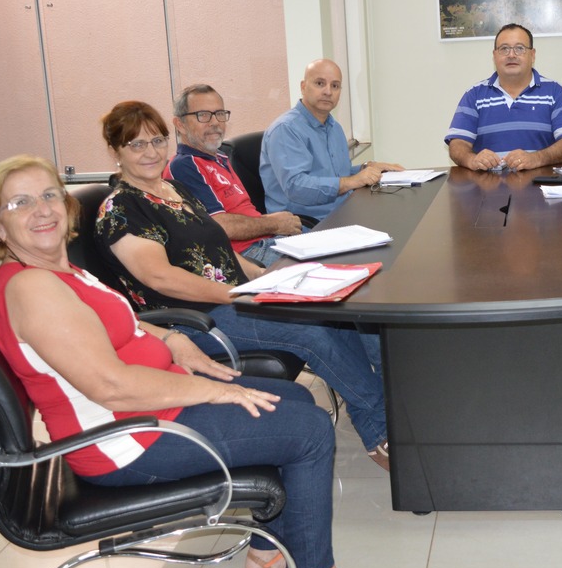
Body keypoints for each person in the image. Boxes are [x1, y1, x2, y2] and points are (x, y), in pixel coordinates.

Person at [0, 155, 373, 568]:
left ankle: (267, 554)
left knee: (293, 397)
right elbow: (112, 387)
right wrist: (217, 392)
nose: (42, 209)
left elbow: (116, 324)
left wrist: (171, 339)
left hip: (147, 414)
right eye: (20, 203)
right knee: (309, 430)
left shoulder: (56, 271)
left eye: (50, 194)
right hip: (124, 441)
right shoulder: (34, 288)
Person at [92, 101, 391, 473]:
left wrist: (265, 279)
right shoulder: (121, 209)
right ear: (115, 151)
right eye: (136, 145)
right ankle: (380, 429)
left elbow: (220, 252)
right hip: (192, 321)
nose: (150, 152)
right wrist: (238, 294)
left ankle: (387, 408)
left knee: (334, 312)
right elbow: (161, 278)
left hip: (232, 301)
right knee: (313, 331)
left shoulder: (173, 190)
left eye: (156, 141)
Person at [164, 83, 302, 266]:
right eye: (203, 115)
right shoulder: (185, 165)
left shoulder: (219, 157)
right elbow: (220, 226)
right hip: (246, 256)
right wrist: (274, 224)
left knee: (342, 251)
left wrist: (275, 223)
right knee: (328, 267)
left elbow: (240, 212)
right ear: (179, 124)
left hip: (267, 240)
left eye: (219, 114)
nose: (215, 122)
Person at [260, 59, 402, 223]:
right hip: (307, 225)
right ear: (303, 86)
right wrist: (354, 181)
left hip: (342, 213)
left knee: (399, 216)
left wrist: (367, 168)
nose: (328, 91)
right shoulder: (286, 129)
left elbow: (338, 175)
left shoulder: (334, 127)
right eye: (320, 83)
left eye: (335, 86)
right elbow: (296, 187)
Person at [445, 23, 562, 171]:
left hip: (542, 186)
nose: (511, 55)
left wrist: (536, 158)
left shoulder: (555, 91)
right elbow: (457, 144)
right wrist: (472, 160)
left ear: (532, 54)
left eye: (519, 48)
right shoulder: (474, 95)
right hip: (487, 189)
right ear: (494, 55)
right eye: (504, 49)